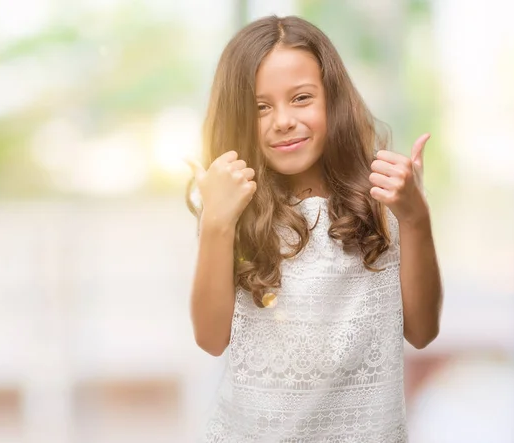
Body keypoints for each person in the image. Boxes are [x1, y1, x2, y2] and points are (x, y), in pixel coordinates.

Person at [185, 15, 443, 443]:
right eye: (260, 106)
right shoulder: (231, 207)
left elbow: (422, 331)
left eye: (301, 98)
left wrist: (415, 217)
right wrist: (216, 222)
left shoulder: (385, 199)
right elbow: (211, 339)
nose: (282, 120)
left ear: (333, 100)